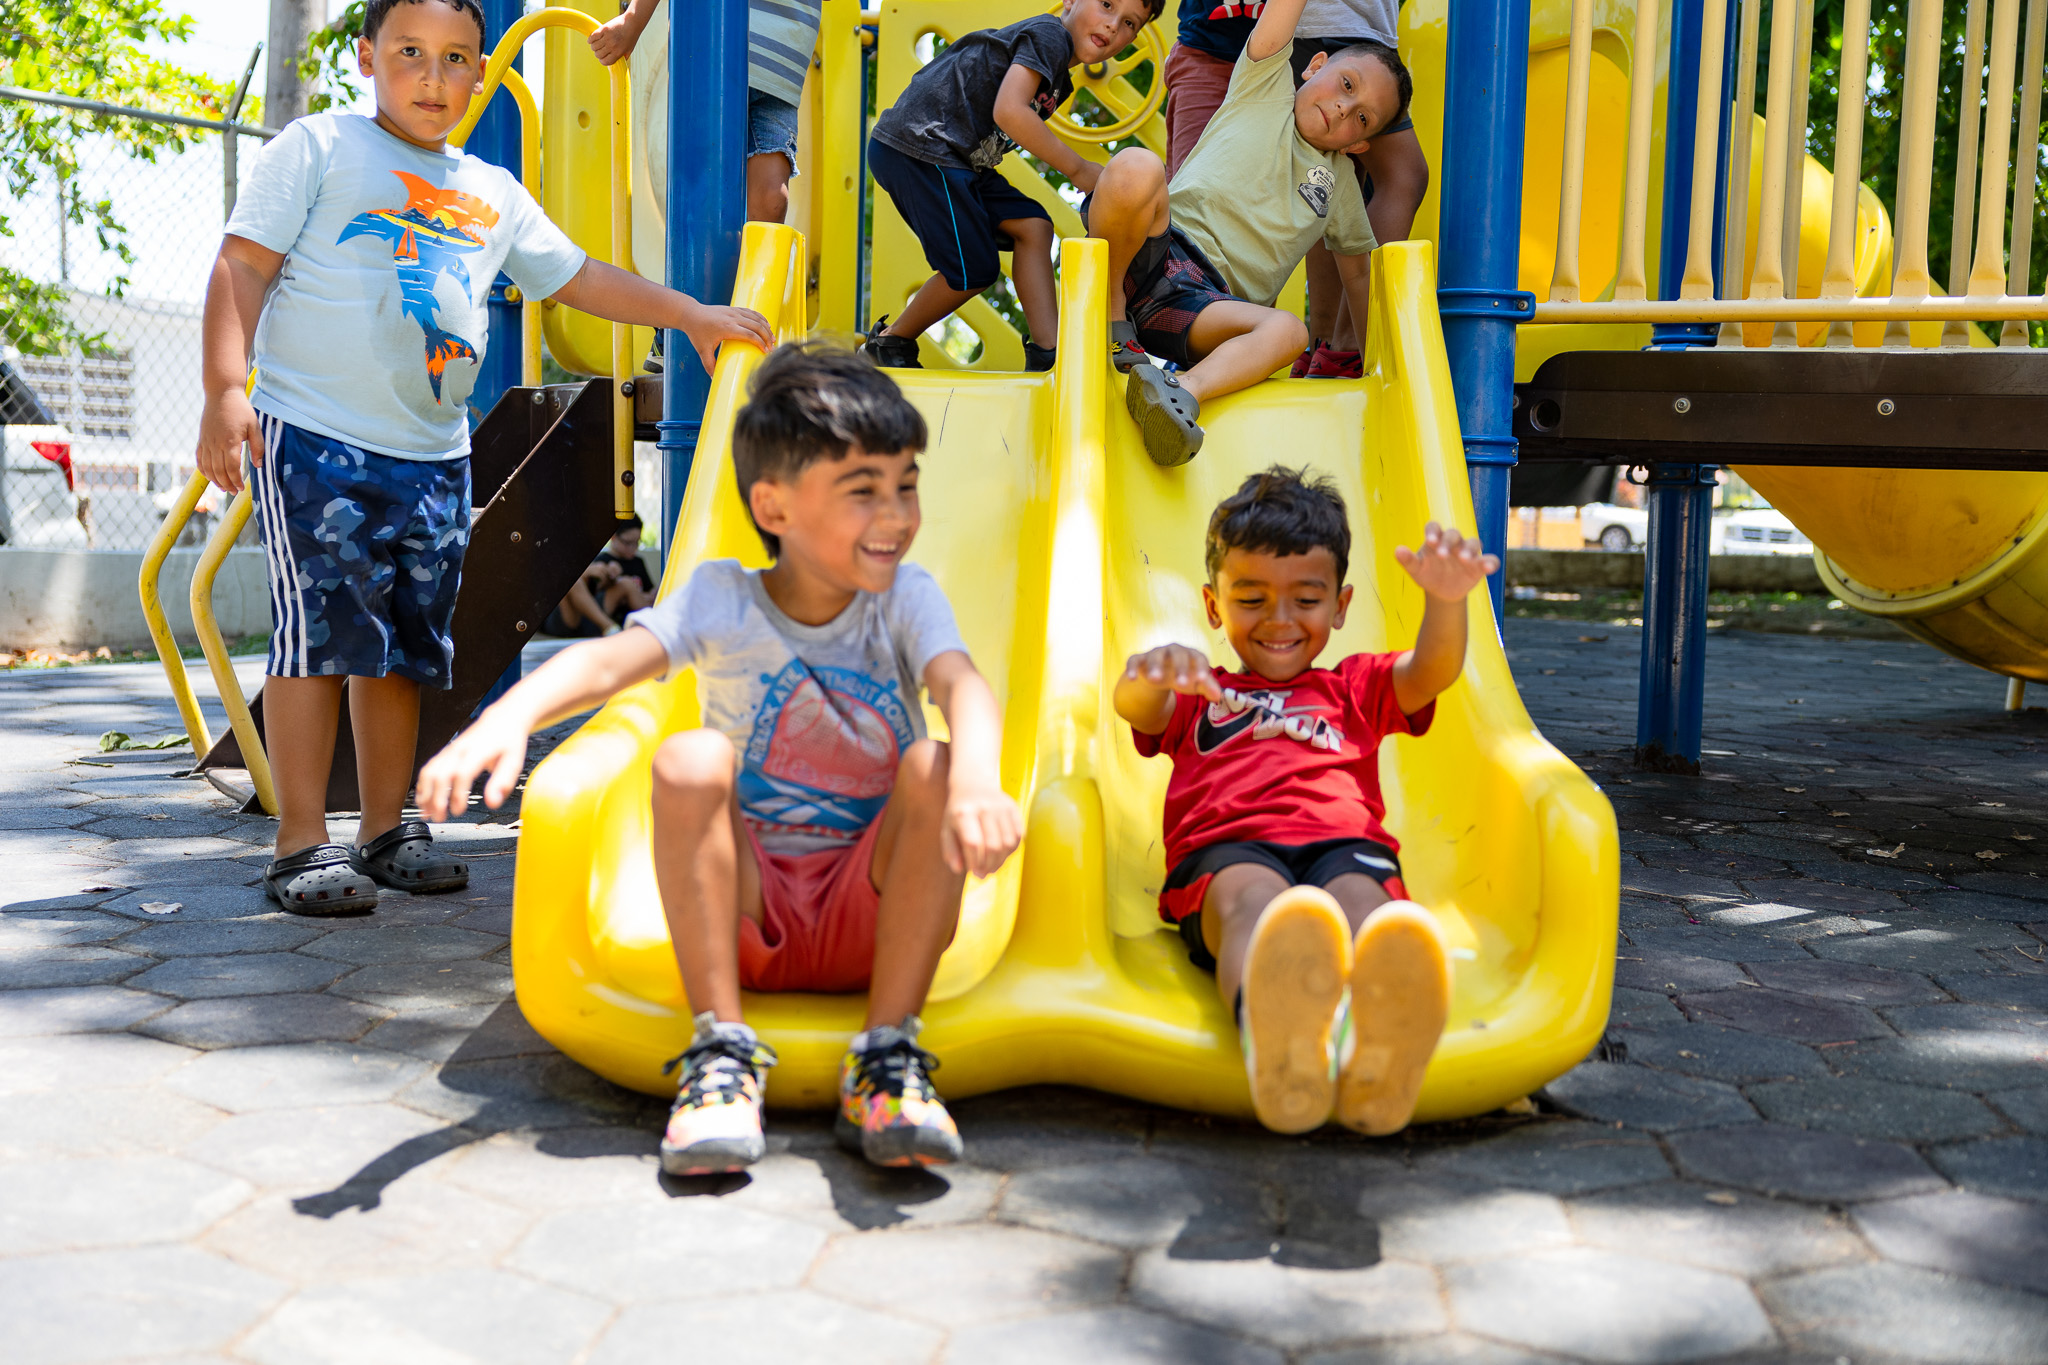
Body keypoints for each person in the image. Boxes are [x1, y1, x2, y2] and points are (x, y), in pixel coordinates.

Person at [192, 0, 771, 917]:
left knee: (405, 649)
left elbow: (578, 276)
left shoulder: (491, 188)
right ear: (366, 57)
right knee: (319, 641)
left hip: (433, 454)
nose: (434, 77)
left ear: (481, 71)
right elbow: (243, 266)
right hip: (317, 437)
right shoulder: (321, 147)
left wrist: (687, 313)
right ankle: (300, 838)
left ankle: (384, 827)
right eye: (410, 52)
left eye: (457, 58)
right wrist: (227, 390)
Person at [416, 344, 1023, 1175]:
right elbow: (610, 662)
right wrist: (510, 716)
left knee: (939, 765)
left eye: (905, 486)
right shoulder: (722, 598)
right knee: (690, 757)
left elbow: (963, 686)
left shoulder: (906, 599)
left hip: (878, 919)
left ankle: (887, 1058)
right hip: (744, 916)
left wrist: (979, 781)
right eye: (863, 491)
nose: (896, 515)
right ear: (774, 505)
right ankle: (721, 1054)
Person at [1112, 467, 1493, 1137]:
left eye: (1306, 599)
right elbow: (1137, 708)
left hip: (1345, 844)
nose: (1279, 620)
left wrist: (1446, 602)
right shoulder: (1202, 691)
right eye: (1251, 598)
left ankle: (1375, 1045)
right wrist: (1151, 671)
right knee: (1255, 907)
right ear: (1213, 606)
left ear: (1340, 606)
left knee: (1366, 910)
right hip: (1228, 849)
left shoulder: (1355, 687)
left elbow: (1431, 670)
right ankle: (1278, 1043)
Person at [1086, 0, 1410, 466]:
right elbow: (1281, 15)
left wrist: (1378, 372)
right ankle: (1112, 315)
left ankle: (1178, 394)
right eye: (1346, 84)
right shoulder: (1264, 86)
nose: (1344, 108)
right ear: (1314, 66)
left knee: (1289, 331)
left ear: (1359, 145)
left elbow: (1359, 278)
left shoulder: (1339, 184)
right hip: (1154, 249)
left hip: (1204, 308)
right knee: (1136, 166)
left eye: (1362, 118)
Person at [860, 0, 1164, 373]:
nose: (1113, 25)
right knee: (972, 270)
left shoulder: (1059, 77)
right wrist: (1079, 169)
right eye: (1106, 4)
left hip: (962, 160)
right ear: (1070, 1)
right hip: (923, 147)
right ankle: (891, 342)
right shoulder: (1050, 36)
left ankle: (1049, 352)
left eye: (1130, 23)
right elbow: (1010, 112)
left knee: (1034, 226)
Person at [590, 0, 822, 225]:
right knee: (704, 193)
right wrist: (633, 20)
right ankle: (702, 251)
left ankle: (749, 253)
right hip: (714, 43)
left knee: (772, 201)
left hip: (781, 64)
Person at [1290, 2, 1428, 378]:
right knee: (1404, 176)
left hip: (1339, 25)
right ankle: (1348, 346)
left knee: (1328, 177)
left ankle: (1322, 346)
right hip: (1345, 23)